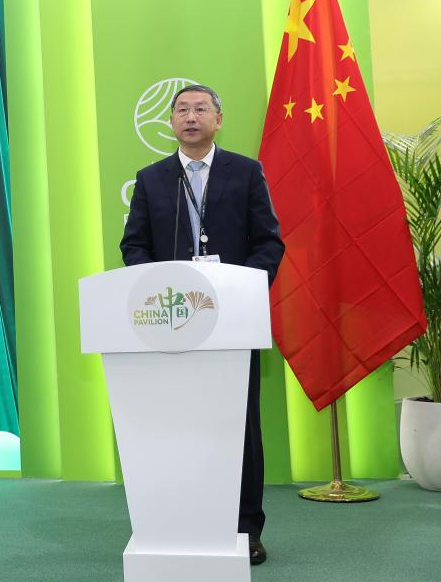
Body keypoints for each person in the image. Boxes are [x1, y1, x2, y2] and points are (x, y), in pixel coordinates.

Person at [119, 84, 285, 566]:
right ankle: (181, 523)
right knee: (177, 427)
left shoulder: (246, 172)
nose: (191, 117)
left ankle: (246, 528)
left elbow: (269, 244)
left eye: (201, 109)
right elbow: (134, 246)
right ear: (172, 122)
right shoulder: (152, 179)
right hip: (170, 325)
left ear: (218, 119)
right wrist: (156, 288)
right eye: (182, 110)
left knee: (240, 429)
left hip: (233, 323)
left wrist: (243, 291)